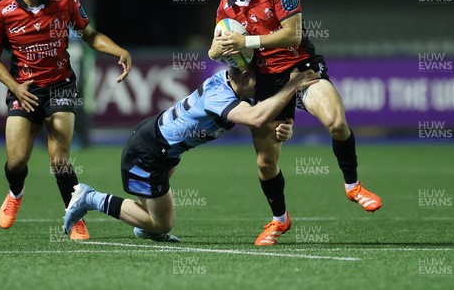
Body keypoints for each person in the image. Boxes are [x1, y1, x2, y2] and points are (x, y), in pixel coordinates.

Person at [208, 0, 382, 246]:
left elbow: (293, 33)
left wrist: (245, 43)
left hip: (300, 69)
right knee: (265, 162)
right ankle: (279, 221)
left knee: (336, 123)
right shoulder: (225, 7)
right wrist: (217, 50)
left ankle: (353, 186)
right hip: (265, 83)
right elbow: (214, 51)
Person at [63, 65, 320, 242]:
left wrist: (286, 126)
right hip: (148, 153)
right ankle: (91, 198)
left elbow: (264, 111)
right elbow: (256, 117)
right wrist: (292, 86)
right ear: (244, 76)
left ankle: (146, 227)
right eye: (258, 79)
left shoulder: (230, 83)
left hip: (163, 149)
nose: (261, 85)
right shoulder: (219, 97)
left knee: (153, 213)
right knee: (163, 224)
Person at [0, 0, 132, 240]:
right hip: (23, 90)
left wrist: (119, 50)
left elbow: (89, 35)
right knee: (16, 162)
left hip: (60, 87)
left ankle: (74, 216)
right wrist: (14, 87)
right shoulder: (0, 12)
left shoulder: (64, 0)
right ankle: (16, 193)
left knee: (59, 160)